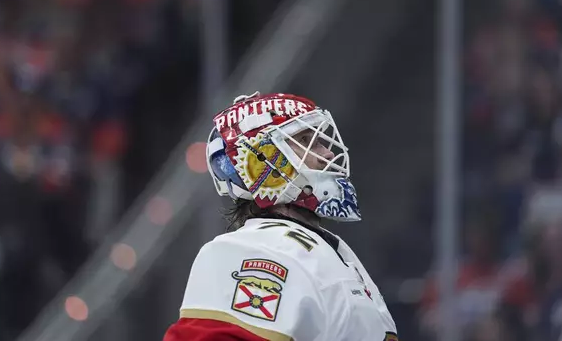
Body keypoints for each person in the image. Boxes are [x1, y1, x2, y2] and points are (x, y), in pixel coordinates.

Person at [163, 91, 397, 341]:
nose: (328, 154)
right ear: (262, 160)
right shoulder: (251, 250)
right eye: (308, 140)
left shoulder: (333, 249)